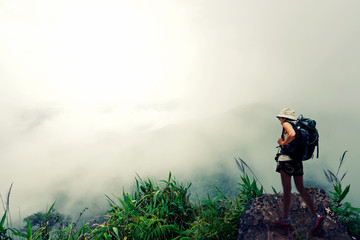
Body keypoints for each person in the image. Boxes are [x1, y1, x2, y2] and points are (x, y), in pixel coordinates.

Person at [275, 108, 322, 231]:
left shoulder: (287, 124)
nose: (279, 120)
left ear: (284, 118)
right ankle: (314, 215)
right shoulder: (296, 125)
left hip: (286, 161)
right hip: (297, 160)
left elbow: (292, 135)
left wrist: (283, 143)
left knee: (287, 190)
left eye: (280, 117)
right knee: (301, 188)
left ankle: (285, 218)